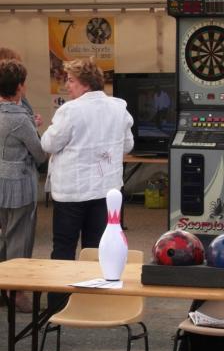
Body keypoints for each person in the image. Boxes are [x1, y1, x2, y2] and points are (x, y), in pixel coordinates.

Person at [41, 57, 133, 310]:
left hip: (72, 190)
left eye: (70, 81)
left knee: (64, 247)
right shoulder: (119, 108)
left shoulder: (69, 111)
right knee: (96, 247)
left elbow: (48, 144)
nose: (67, 86)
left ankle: (58, 303)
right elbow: (128, 145)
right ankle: (93, 301)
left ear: (84, 83)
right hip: (106, 188)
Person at [0, 59, 47, 312]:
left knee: (4, 236)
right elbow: (39, 153)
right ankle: (16, 292)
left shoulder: (17, 117)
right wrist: (34, 129)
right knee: (20, 238)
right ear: (19, 87)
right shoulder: (19, 119)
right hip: (17, 185)